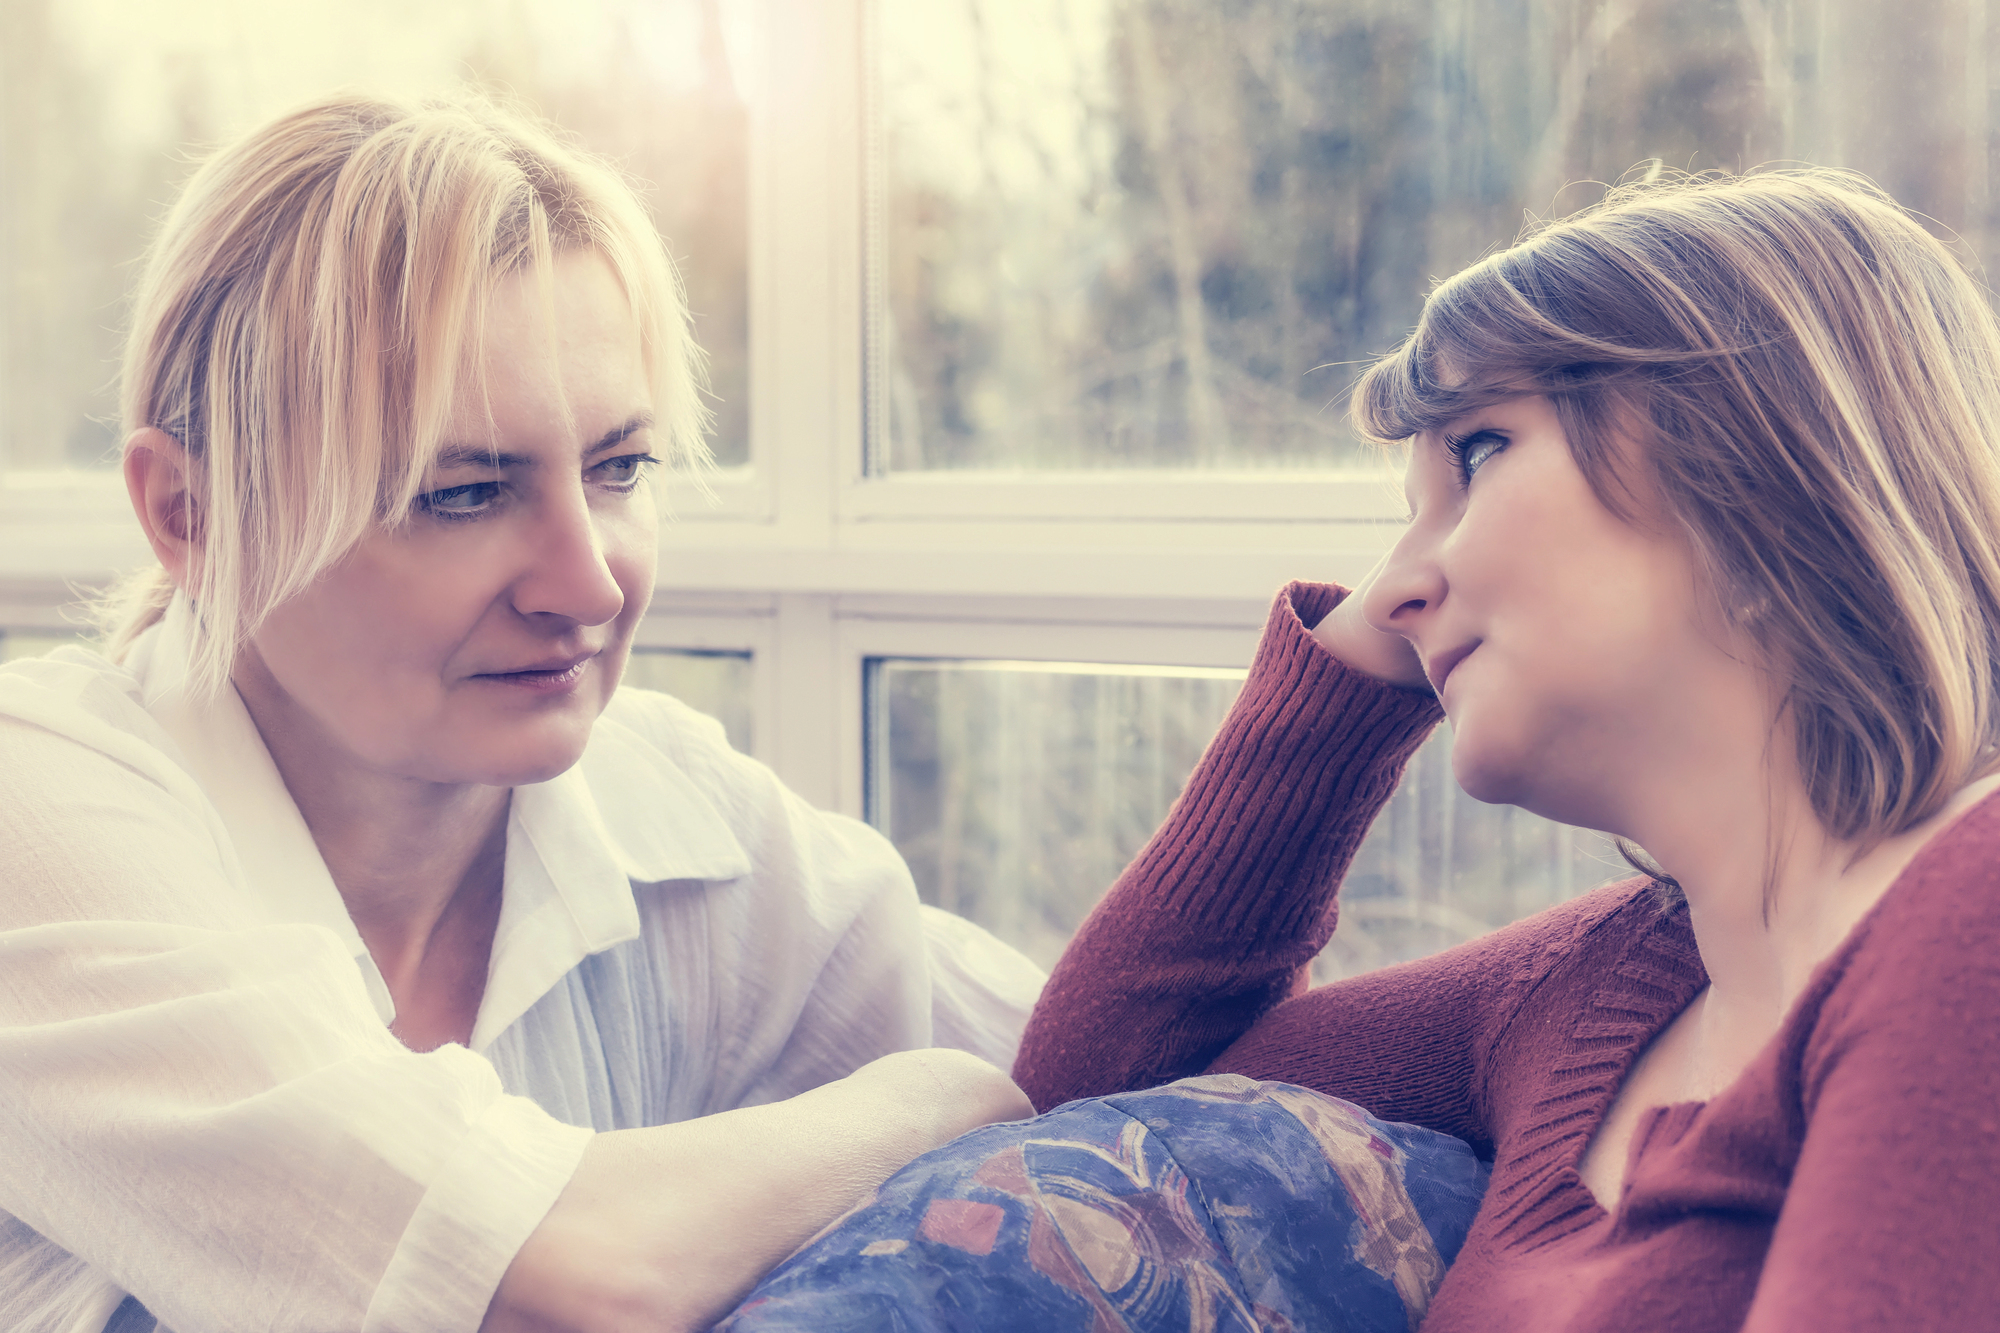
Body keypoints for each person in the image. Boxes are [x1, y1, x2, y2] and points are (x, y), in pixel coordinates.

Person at [702, 167, 2000, 1330]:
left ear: (1757, 457)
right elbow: (1102, 1105)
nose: (1396, 586)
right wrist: (1339, 695)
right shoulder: (1592, 990)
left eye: (1479, 454)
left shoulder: (1970, 905)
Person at [0, 92, 1042, 1333]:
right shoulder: (39, 813)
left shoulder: (666, 813)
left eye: (619, 470)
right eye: (462, 492)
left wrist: (1333, 687)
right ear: (189, 514)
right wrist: (929, 1101)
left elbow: (1105, 1059)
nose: (590, 581)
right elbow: (555, 1281)